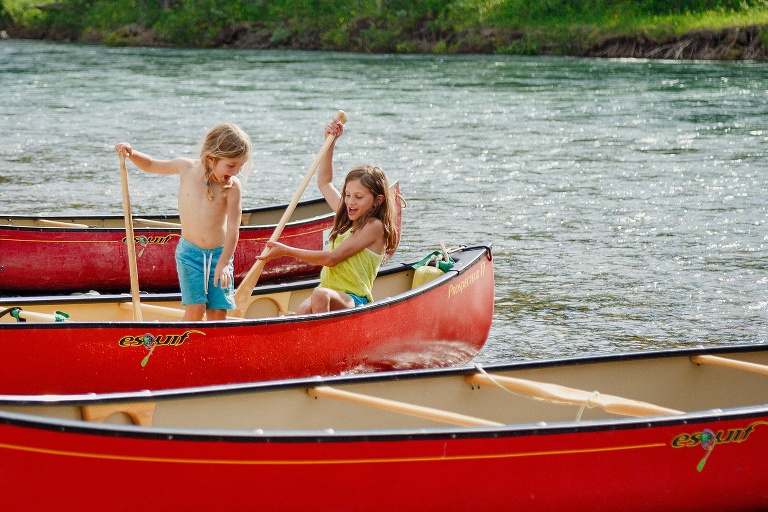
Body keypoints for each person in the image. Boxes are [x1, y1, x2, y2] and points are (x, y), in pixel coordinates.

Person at [257, 117, 398, 314]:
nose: (350, 201)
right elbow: (324, 182)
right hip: (327, 292)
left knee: (319, 295)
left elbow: (332, 259)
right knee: (303, 309)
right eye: (347, 194)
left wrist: (286, 251)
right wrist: (330, 141)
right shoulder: (347, 216)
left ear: (378, 200)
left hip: (354, 298)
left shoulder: (375, 227)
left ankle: (325, 339)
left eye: (358, 197)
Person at [115, 123, 252, 321]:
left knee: (218, 313)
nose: (236, 171)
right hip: (190, 255)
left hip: (219, 257)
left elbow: (233, 228)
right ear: (211, 158)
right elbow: (152, 164)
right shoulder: (185, 167)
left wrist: (223, 263)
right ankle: (186, 348)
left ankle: (211, 350)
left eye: (240, 166)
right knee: (195, 310)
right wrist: (132, 154)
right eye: (231, 165)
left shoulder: (232, 187)